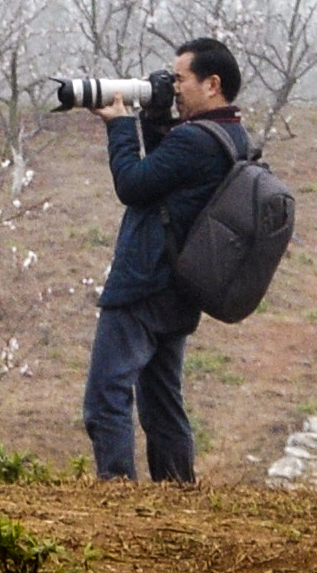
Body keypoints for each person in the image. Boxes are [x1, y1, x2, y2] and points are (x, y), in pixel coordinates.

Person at [84, 37, 248, 483]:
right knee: (161, 402)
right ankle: (177, 497)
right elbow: (167, 178)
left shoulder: (196, 140)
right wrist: (156, 120)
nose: (173, 88)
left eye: (180, 79)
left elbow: (134, 186)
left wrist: (119, 125)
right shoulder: (229, 135)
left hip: (144, 281)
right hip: (179, 287)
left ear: (211, 84)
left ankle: (117, 493)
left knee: (106, 395)